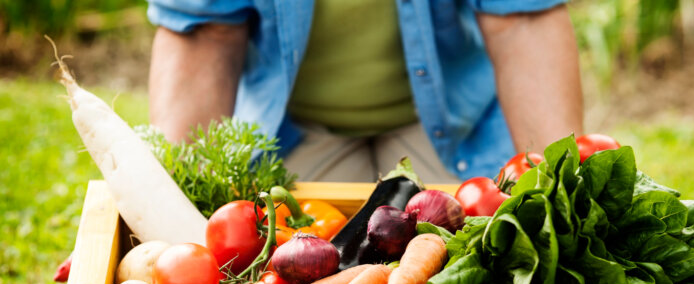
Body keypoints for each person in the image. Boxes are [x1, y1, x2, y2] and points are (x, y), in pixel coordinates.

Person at [147, 0, 583, 183]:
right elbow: (206, 32)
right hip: (293, 128)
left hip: (454, 122)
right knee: (291, 271)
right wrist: (173, 206)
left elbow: (520, 20)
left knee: (488, 268)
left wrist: (563, 191)